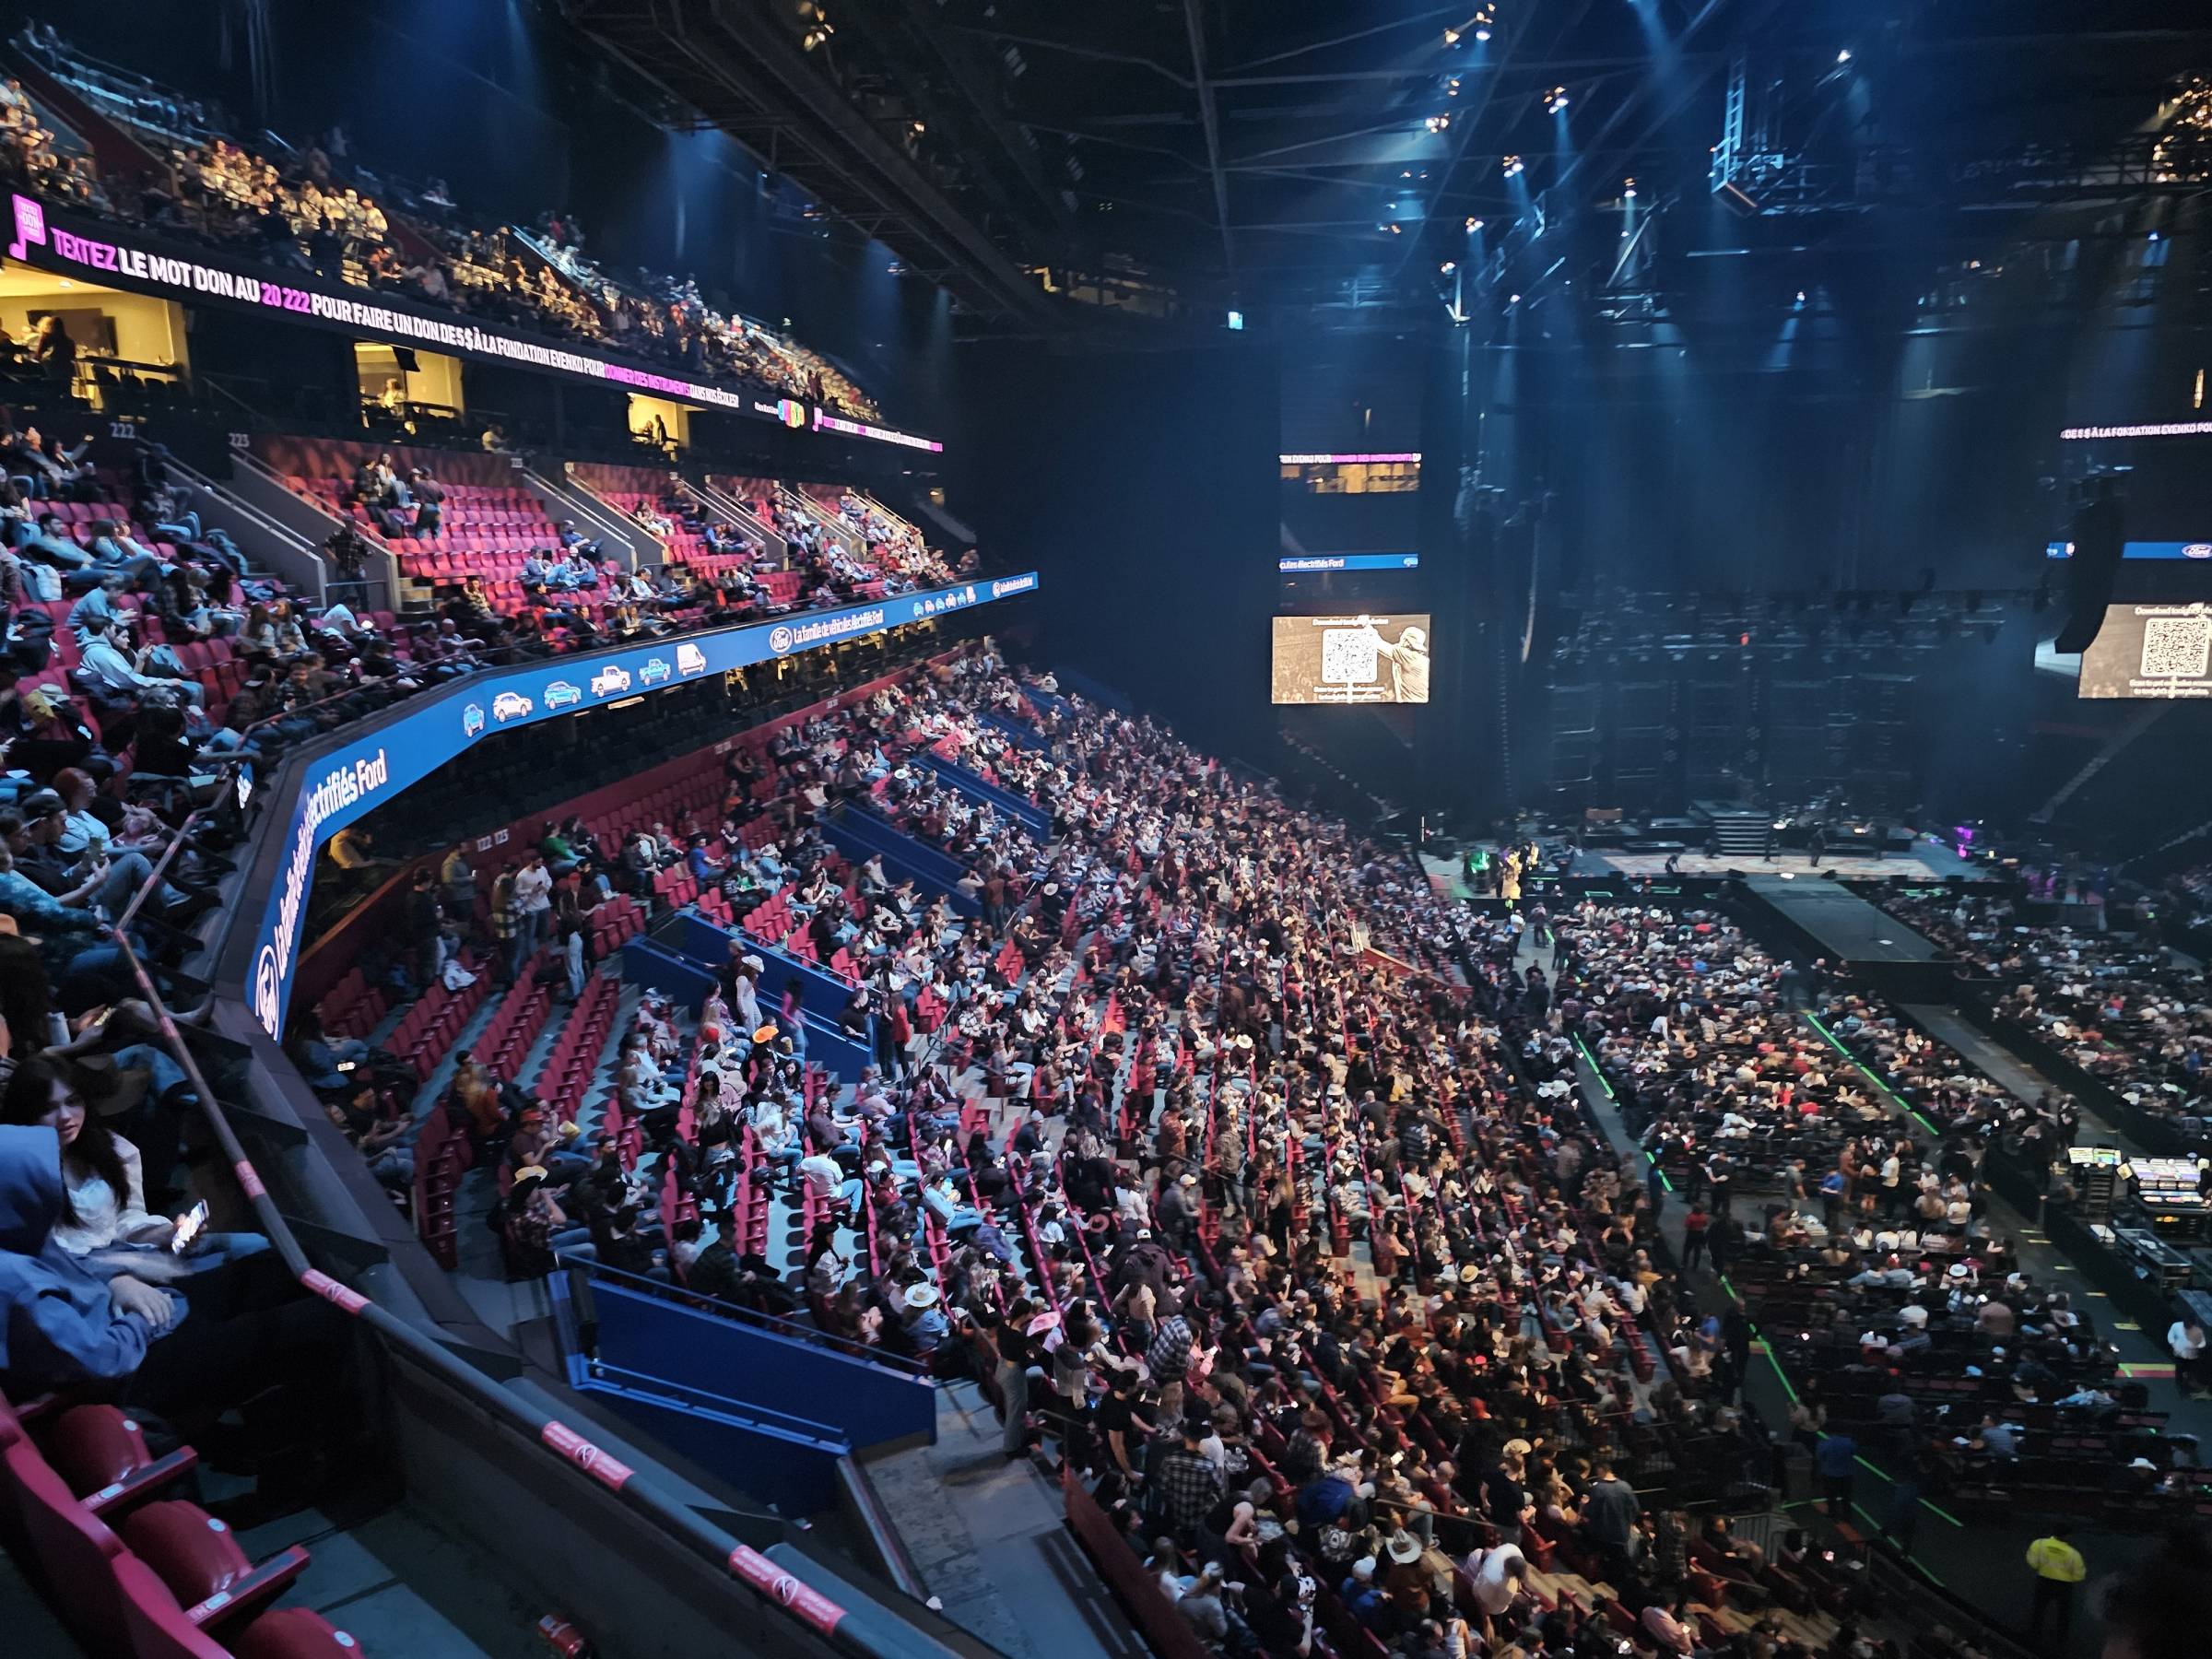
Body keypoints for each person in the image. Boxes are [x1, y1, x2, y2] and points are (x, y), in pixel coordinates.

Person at [2024, 1526, 2084, 1646]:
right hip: (2064, 1586)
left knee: (2039, 1610)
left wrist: (2041, 1568)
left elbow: (2031, 1560)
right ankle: (2061, 1640)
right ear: (2068, 1536)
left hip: (2044, 1581)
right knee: (2063, 1614)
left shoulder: (2039, 1544)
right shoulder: (2073, 1554)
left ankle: (2034, 1635)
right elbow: (2079, 1575)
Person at [2170, 1315, 2206, 1396]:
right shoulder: (2176, 1327)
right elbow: (2171, 1338)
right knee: (2179, 1371)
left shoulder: (2198, 1332)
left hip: (2192, 1356)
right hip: (2180, 1355)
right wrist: (2175, 1347)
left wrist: (2195, 1347)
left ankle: (2187, 1385)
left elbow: (2202, 1343)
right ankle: (2179, 1387)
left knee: (2190, 1370)